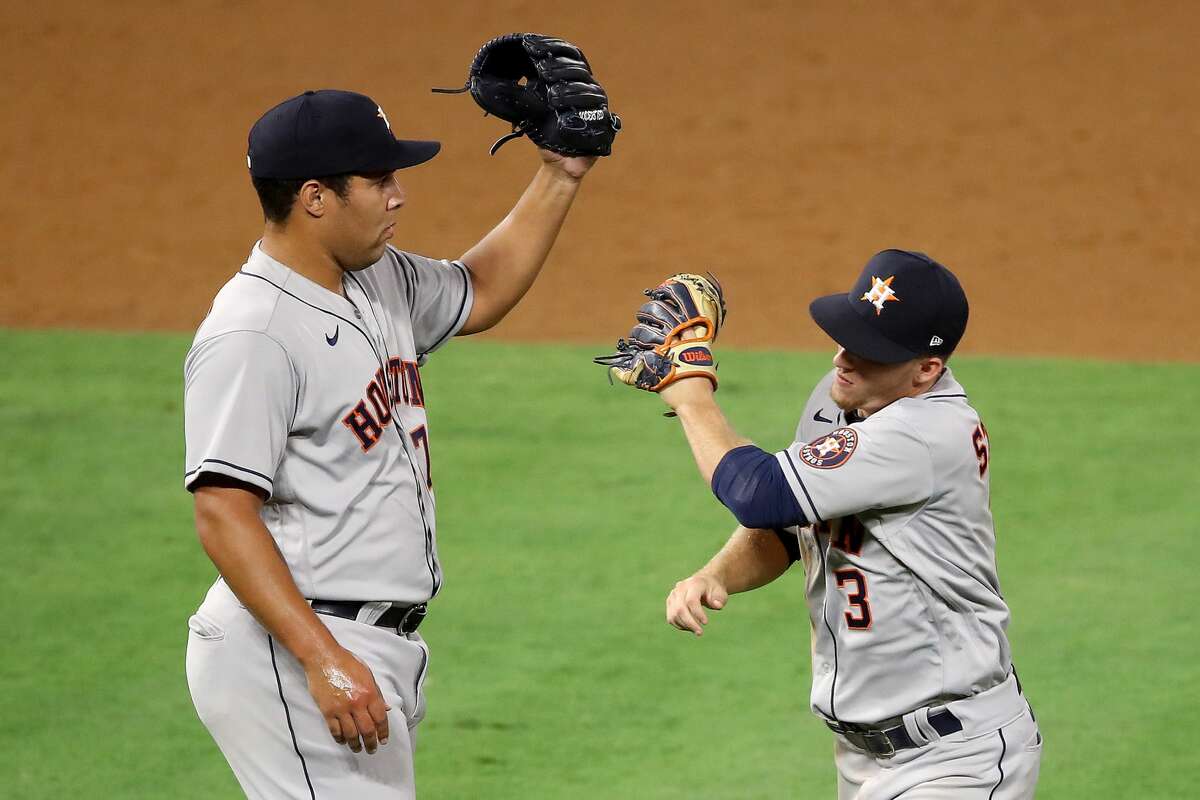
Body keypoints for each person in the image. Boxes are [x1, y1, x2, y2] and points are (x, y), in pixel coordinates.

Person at [182, 88, 597, 799]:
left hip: (365, 641)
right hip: (295, 646)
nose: (398, 196)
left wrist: (560, 172)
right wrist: (323, 658)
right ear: (316, 197)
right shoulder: (255, 332)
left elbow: (479, 290)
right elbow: (222, 510)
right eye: (378, 181)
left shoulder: (376, 280)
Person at [652, 250, 1041, 798]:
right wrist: (717, 574)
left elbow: (760, 492)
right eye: (846, 336)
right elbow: (791, 523)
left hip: (955, 762)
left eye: (871, 351)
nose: (843, 359)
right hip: (864, 762)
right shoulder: (846, 399)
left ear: (926, 370)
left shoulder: (922, 433)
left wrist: (689, 392)